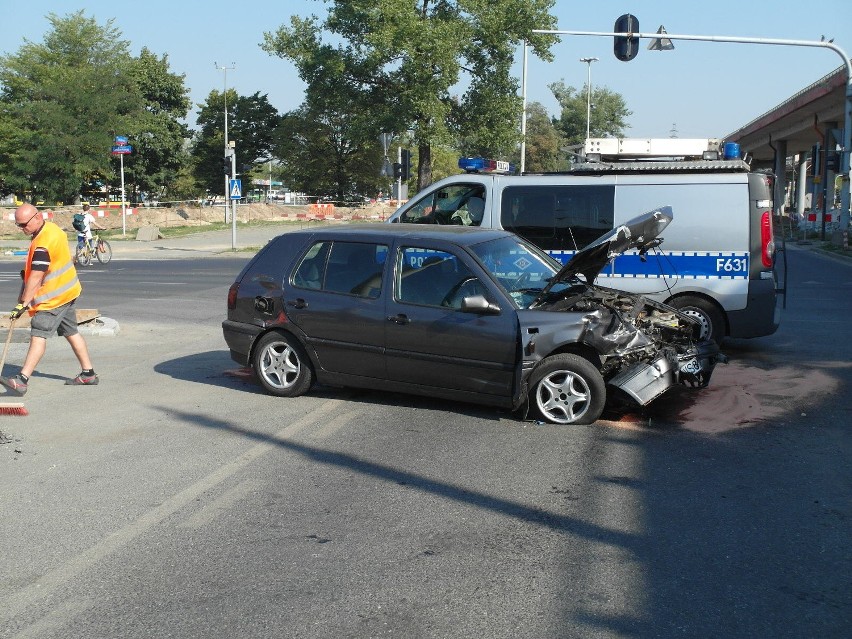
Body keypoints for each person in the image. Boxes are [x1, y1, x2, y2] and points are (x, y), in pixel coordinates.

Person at [1, 203, 99, 395]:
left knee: (38, 332)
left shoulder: (43, 244)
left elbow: (37, 276)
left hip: (53, 298)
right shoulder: (52, 229)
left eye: (23, 225)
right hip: (69, 291)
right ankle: (88, 373)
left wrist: (22, 303)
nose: (21, 229)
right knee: (71, 331)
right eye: (18, 226)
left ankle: (22, 379)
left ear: (37, 217)